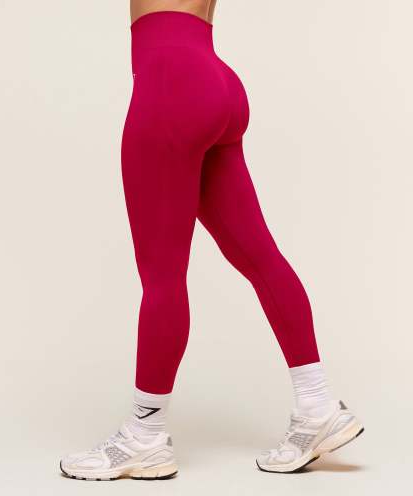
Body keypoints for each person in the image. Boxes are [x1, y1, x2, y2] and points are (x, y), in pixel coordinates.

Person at [60, 0, 363, 480]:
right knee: (262, 258)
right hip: (215, 78)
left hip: (170, 82)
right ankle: (317, 404)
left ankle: (144, 435)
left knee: (162, 277)